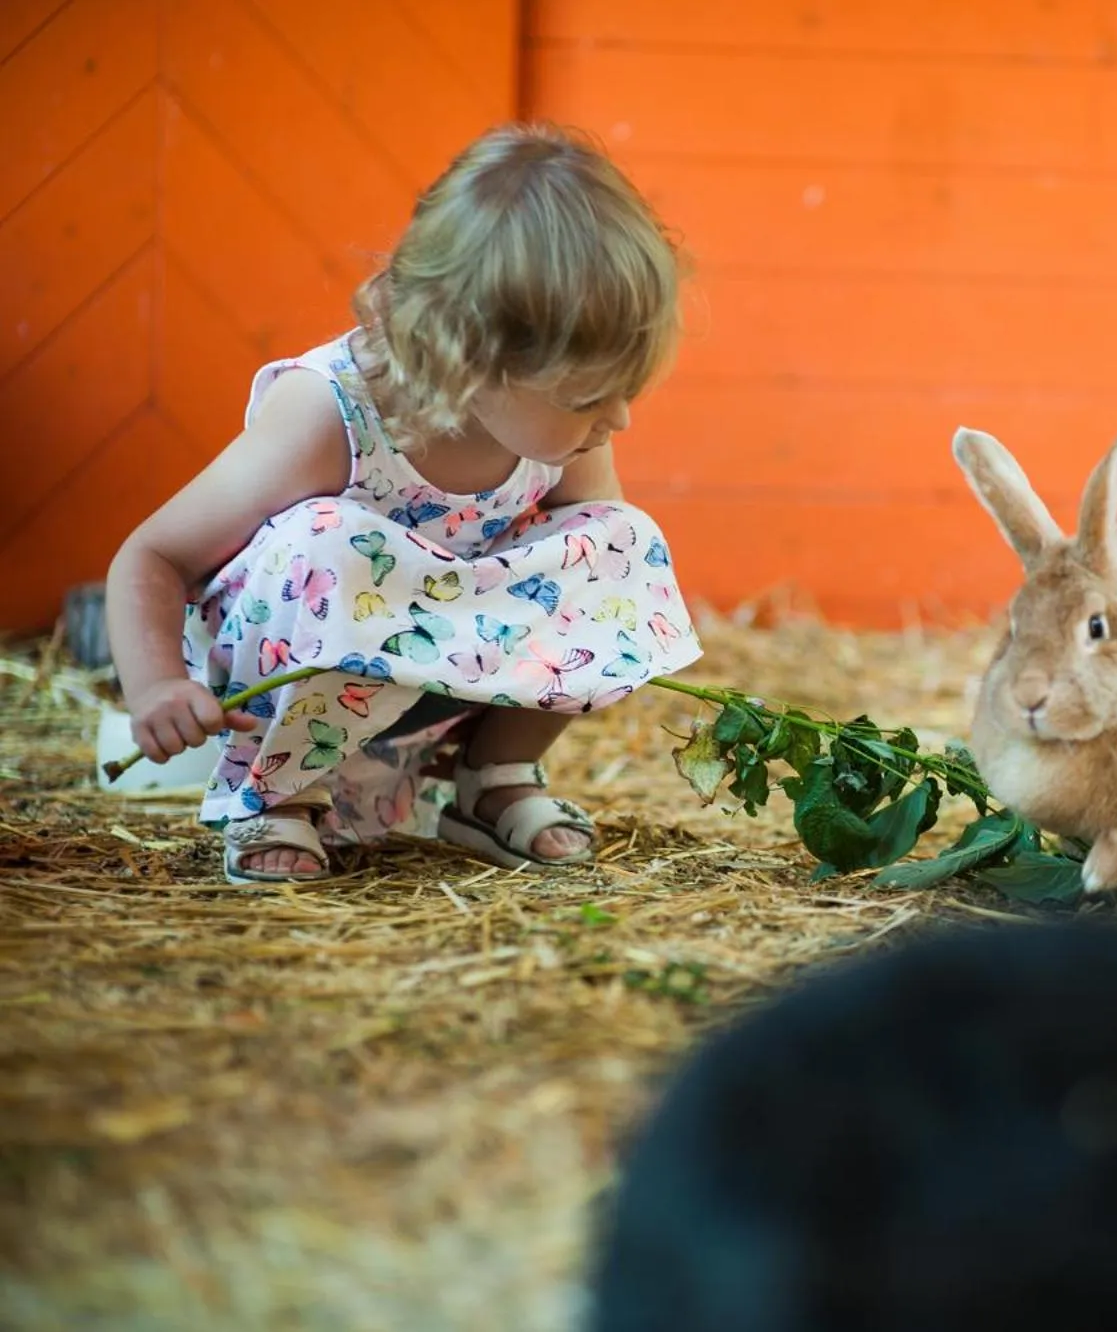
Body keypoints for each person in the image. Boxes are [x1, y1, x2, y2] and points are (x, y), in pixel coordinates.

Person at [104, 122, 702, 884]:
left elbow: (583, 587)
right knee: (331, 540)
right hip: (286, 693)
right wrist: (157, 685)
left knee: (617, 539)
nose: (618, 419)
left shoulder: (563, 437)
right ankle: (276, 797)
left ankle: (491, 777)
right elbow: (154, 556)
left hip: (440, 681)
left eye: (628, 391)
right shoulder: (326, 414)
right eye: (590, 397)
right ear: (471, 356)